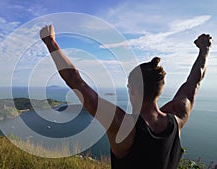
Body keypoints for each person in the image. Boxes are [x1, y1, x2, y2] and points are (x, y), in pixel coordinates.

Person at [40, 25, 212, 169]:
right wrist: (204, 49)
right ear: (159, 89)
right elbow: (194, 81)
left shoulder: (123, 126)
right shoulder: (178, 117)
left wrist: (50, 41)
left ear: (133, 90)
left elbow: (76, 82)